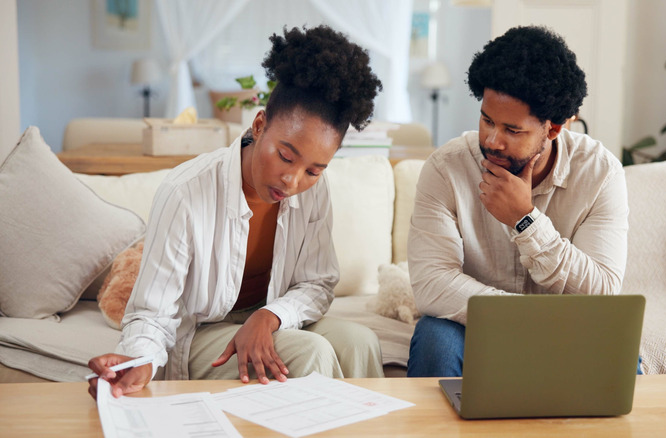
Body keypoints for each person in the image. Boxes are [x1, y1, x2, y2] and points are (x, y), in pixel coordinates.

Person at [88, 25, 384, 399]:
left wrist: (269, 316)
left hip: (274, 319)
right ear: (259, 125)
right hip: (203, 333)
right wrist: (140, 361)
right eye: (286, 156)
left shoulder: (314, 192)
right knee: (310, 352)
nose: (293, 180)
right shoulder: (185, 191)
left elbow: (318, 283)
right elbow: (152, 311)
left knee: (361, 341)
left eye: (313, 169)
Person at [406, 25, 635, 377]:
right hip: (472, 325)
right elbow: (432, 285)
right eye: (486, 120)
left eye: (513, 130)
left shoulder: (600, 173)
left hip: (567, 330)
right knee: (435, 336)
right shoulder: (446, 169)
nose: (492, 140)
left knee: (619, 348)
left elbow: (603, 289)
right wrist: (525, 318)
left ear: (555, 128)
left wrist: (524, 220)